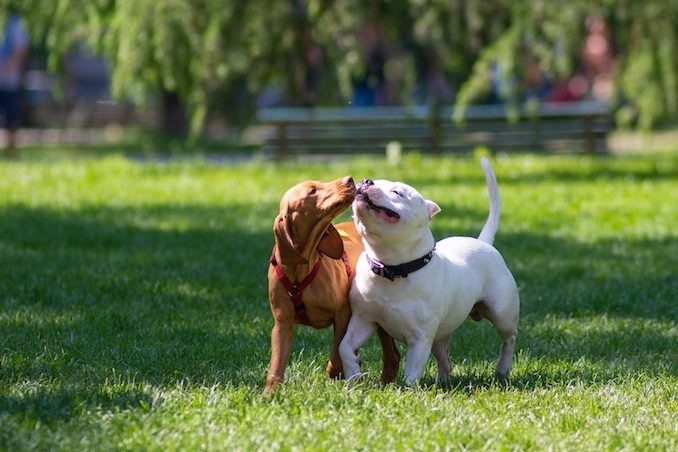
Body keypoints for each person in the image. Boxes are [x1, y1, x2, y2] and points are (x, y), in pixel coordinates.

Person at [0, 12, 28, 158]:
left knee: (11, 118)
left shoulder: (13, 22)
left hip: (8, 80)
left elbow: (21, 47)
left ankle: (10, 150)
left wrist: (12, 65)